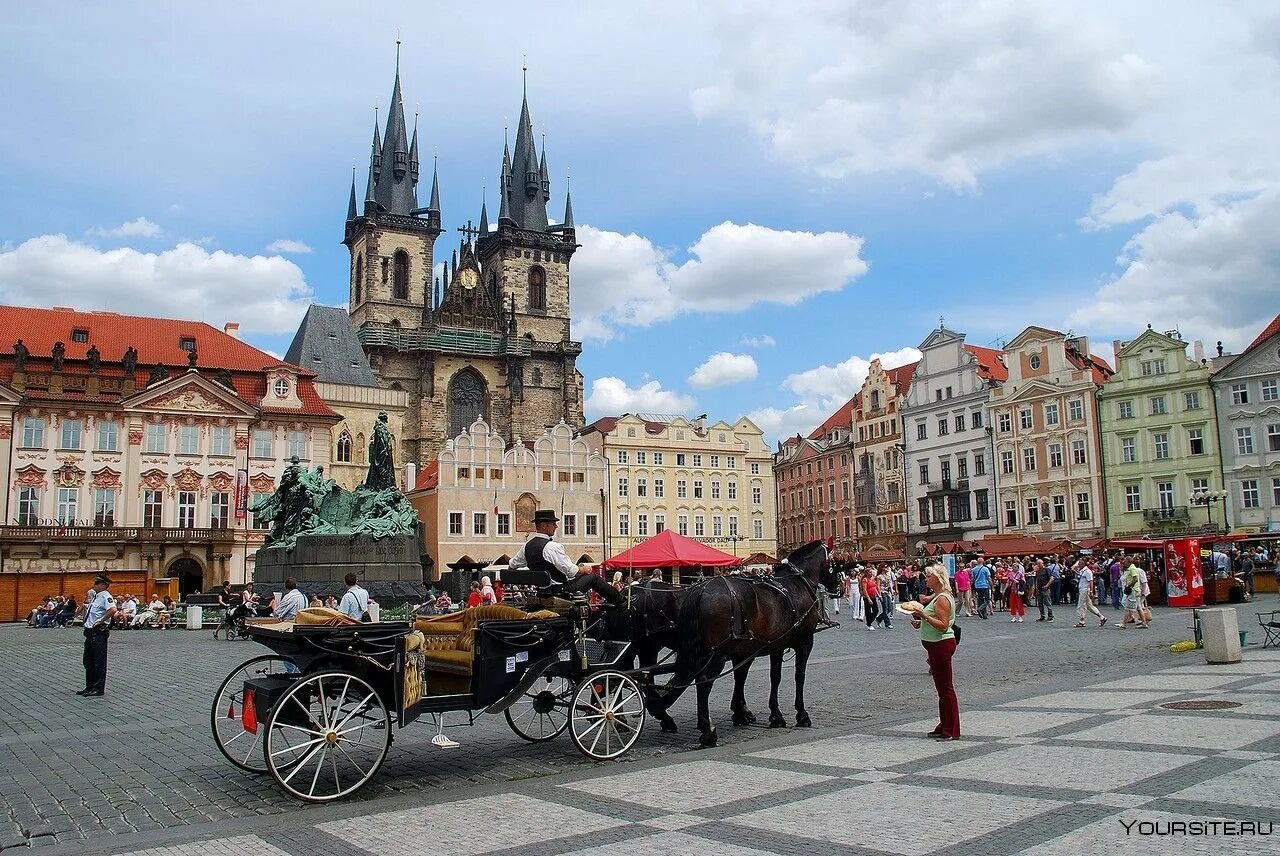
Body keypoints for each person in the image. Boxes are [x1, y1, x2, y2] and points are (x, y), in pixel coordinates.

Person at [509, 510, 623, 606]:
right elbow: (571, 571)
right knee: (593, 577)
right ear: (544, 525)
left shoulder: (526, 546)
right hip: (560, 590)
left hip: (541, 590)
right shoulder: (552, 547)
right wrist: (583, 569)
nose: (556, 526)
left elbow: (512, 564)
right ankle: (619, 601)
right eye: (553, 523)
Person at [904, 565, 959, 740]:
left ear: (938, 579)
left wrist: (923, 616)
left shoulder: (942, 598)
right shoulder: (938, 596)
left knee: (945, 689)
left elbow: (943, 626)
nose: (926, 579)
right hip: (935, 645)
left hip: (941, 644)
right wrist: (922, 623)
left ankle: (950, 728)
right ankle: (944, 724)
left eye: (929, 577)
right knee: (942, 689)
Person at [78, 575, 116, 697]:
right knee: (88, 661)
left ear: (103, 585)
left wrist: (101, 620)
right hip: (89, 633)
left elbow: (112, 610)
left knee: (98, 661)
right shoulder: (96, 597)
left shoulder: (106, 596)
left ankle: (98, 688)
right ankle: (89, 686)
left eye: (97, 583)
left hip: (98, 632)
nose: (94, 585)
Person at [1073, 561, 1107, 628]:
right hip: (1082, 590)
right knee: (1089, 606)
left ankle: (1081, 621)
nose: (1078, 565)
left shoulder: (1087, 571)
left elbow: (1091, 581)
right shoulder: (1082, 571)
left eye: (1079, 563)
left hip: (1085, 590)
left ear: (1083, 564)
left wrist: (1091, 591)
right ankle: (1102, 617)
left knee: (1080, 605)